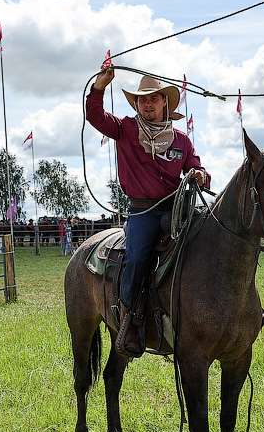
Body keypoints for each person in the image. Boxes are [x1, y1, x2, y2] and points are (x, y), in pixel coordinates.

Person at [86, 68, 210, 357]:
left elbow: (196, 165)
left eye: (154, 98)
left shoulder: (181, 140)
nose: (148, 104)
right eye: (142, 100)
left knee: (211, 242)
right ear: (136, 104)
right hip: (143, 213)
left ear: (165, 101)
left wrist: (200, 174)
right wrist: (99, 87)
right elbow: (96, 117)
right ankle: (129, 320)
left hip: (177, 209)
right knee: (137, 258)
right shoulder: (125, 129)